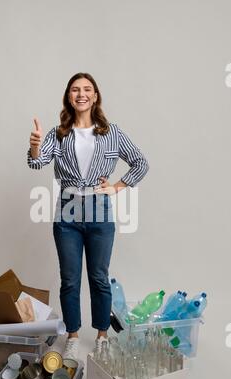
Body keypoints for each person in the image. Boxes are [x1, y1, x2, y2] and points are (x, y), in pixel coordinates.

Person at [27, 72, 149, 359]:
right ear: (69, 97)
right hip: (67, 213)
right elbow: (36, 163)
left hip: (99, 209)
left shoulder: (112, 132)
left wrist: (117, 187)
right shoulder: (58, 133)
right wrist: (34, 145)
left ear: (95, 96)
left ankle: (102, 336)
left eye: (87, 89)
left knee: (99, 277)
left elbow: (140, 163)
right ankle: (72, 336)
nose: (81, 94)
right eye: (75, 90)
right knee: (70, 279)